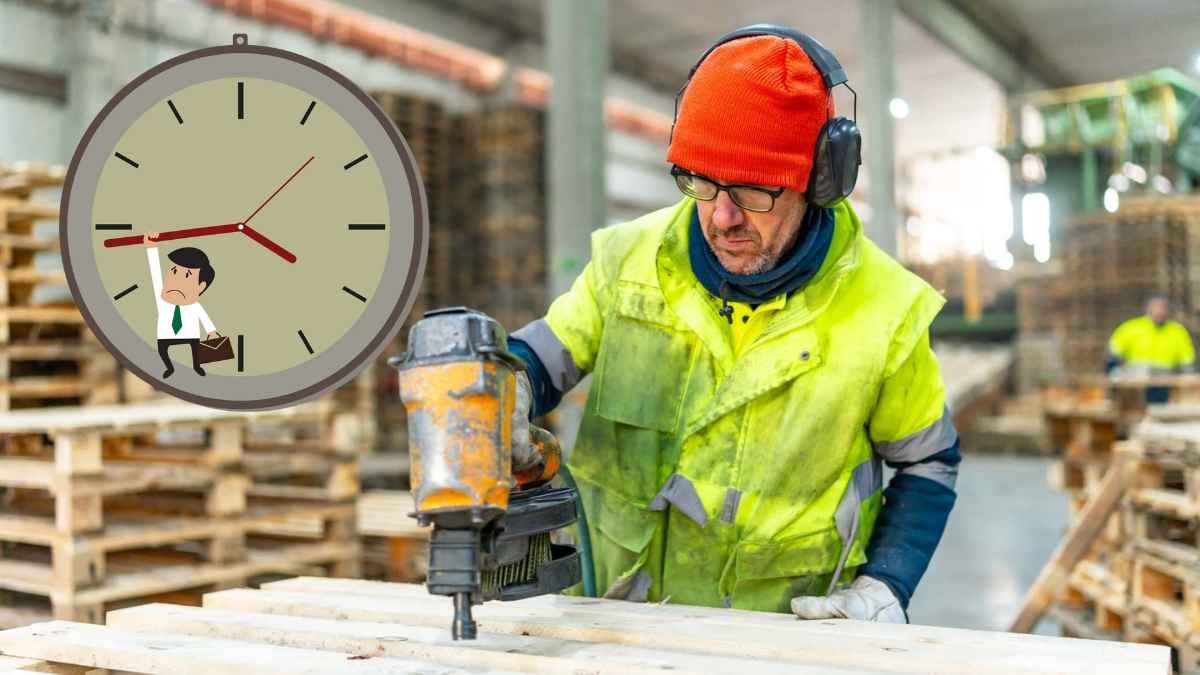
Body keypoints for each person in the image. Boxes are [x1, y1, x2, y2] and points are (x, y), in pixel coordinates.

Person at [504, 25, 959, 623]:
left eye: (751, 190)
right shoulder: (630, 261)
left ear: (820, 180)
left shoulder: (886, 311)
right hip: (611, 623)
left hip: (779, 640)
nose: (721, 217)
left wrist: (886, 585)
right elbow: (538, 360)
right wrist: (504, 391)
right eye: (701, 181)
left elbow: (929, 462)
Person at [145, 232, 219, 378]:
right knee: (162, 350)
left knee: (195, 349)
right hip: (166, 334)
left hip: (190, 333)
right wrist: (151, 247)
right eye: (173, 272)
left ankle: (197, 366)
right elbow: (155, 272)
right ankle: (169, 368)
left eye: (187, 275)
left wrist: (211, 331)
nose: (176, 281)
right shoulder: (162, 300)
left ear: (201, 287)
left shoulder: (194, 306)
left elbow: (204, 317)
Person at [1107, 295, 1196, 403]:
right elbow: (1112, 353)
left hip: (1165, 380)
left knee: (1160, 408)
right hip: (1136, 380)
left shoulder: (1177, 331)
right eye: (1156, 308)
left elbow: (1187, 360)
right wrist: (1114, 371)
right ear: (1148, 309)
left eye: (1162, 308)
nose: (1159, 312)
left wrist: (1187, 376)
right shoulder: (1131, 327)